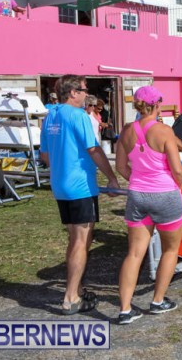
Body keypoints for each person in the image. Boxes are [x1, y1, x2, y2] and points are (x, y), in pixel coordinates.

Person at [39, 75, 120, 315]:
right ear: (73, 92)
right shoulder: (79, 116)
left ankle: (77, 287)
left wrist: (62, 167)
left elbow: (45, 155)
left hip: (61, 186)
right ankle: (71, 297)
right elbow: (94, 149)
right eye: (84, 89)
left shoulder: (50, 116)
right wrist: (112, 178)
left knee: (75, 238)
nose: (87, 94)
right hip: (80, 187)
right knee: (81, 241)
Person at [115, 86, 182, 325]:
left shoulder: (126, 131)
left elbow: (121, 167)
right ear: (157, 105)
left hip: (137, 195)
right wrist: (177, 186)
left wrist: (137, 180)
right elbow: (177, 169)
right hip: (165, 194)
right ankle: (157, 301)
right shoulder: (164, 131)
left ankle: (125, 310)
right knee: (170, 250)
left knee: (134, 253)